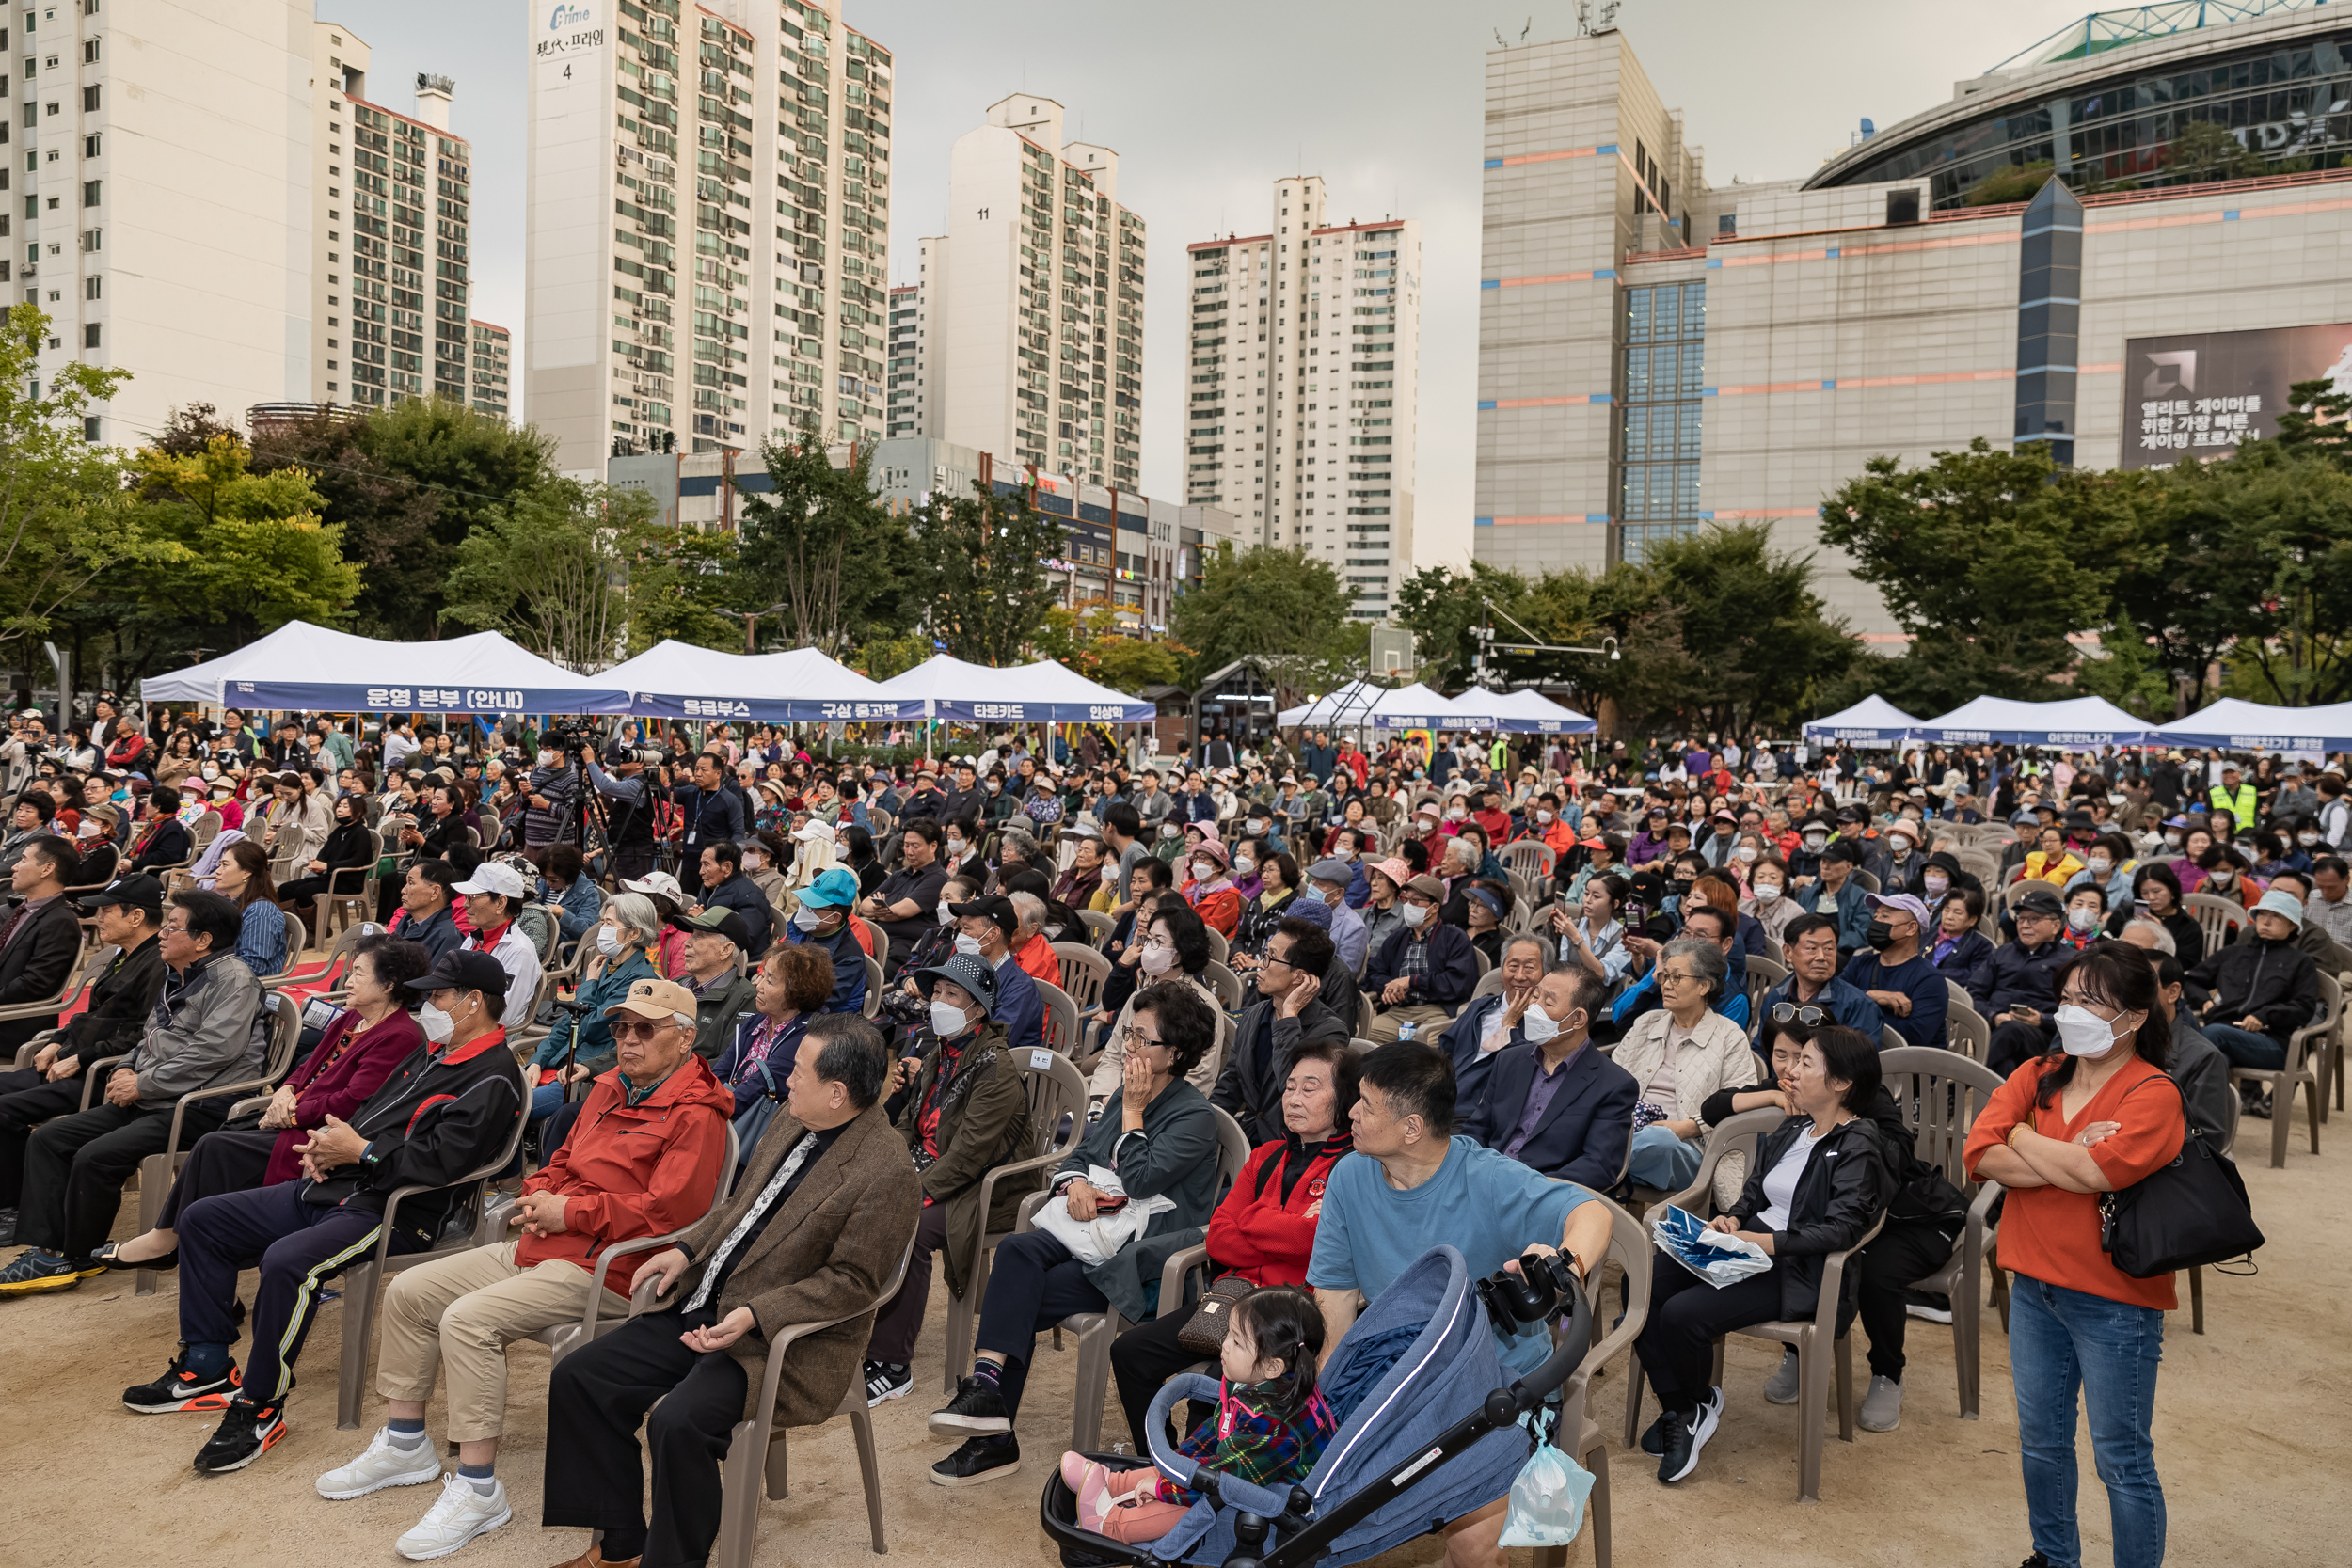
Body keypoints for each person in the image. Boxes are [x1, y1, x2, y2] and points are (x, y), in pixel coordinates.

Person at [320, 974, 727, 1559]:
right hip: (549, 1243)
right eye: (621, 1027)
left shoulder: (697, 1112)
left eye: (645, 1029)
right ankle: (407, 1442)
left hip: (610, 1269)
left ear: (685, 1039)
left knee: (467, 1321)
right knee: (409, 1291)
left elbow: (673, 1212)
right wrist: (541, 1196)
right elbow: (559, 1158)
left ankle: (479, 1487)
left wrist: (572, 1213)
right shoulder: (610, 1087)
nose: (628, 1039)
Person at [115, 948, 523, 1474]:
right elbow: (368, 1114)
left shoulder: (493, 1074)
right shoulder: (436, 1053)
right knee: (203, 1219)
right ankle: (208, 1363)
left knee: (287, 1262)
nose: (431, 1002)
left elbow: (444, 1162)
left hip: (398, 1211)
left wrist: (362, 1153)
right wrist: (327, 1146)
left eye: (441, 994)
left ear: (474, 1002)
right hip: (340, 1187)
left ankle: (260, 1405)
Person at [532, 1010, 914, 1567]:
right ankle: (621, 1546)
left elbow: (853, 1283)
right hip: (705, 1301)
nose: (786, 1078)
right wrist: (684, 1250)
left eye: (799, 1071)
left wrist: (758, 1314)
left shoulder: (886, 1171)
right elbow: (740, 1205)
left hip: (778, 1340)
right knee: (581, 1377)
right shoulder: (794, 1116)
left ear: (836, 1093)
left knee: (677, 1422)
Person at [1307, 1041, 1611, 1566]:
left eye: (1365, 1104)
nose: (1349, 1113)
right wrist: (1326, 1405)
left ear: (1411, 1127)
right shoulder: (1350, 1176)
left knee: (1472, 1546)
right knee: (1311, 1499)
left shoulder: (1487, 1179)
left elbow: (1592, 1212)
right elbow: (1334, 1298)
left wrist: (1564, 1263)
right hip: (1399, 1378)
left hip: (1499, 1388)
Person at [927, 982, 1224, 1486]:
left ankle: (992, 1430)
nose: (1128, 1047)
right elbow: (1081, 1155)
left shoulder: (1194, 1117)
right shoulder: (1127, 1097)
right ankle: (989, 1393)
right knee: (1020, 1252)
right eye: (1129, 1034)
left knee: (1016, 1288)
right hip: (1089, 1239)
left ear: (1174, 1054)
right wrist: (1076, 1182)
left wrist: (1132, 1111)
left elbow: (1142, 1177)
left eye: (1142, 1040)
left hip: (1137, 1263)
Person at [1963, 943, 2185, 1568]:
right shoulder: (2039, 1071)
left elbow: (2095, 1174)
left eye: (2090, 1000)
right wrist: (2063, 1152)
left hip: (2114, 1299)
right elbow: (1979, 1155)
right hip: (2034, 1285)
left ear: (2135, 1016)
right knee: (2042, 1441)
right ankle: (2054, 1556)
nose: (2072, 1011)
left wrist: (2027, 1138)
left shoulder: (2152, 1091)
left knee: (2121, 1456)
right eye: (2067, 997)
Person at [1631, 1025, 1893, 1484]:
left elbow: (1843, 1228)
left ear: (1841, 1083)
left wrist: (1763, 1242)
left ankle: (1688, 1408)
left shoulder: (1858, 1143)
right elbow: (1756, 1193)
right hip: (1747, 1246)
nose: (1791, 1071)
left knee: (1680, 1315)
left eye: (1806, 1063)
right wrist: (1732, 1219)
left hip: (1795, 1268)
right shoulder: (1794, 1126)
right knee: (1642, 1290)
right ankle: (1686, 1407)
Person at [95, 936, 432, 1271]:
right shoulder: (352, 1018)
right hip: (295, 1115)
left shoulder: (399, 1034)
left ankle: (176, 1241)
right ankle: (185, 1243)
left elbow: (353, 1102)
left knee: (217, 1147)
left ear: (388, 984)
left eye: (358, 973)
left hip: (324, 1135)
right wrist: (285, 1091)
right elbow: (307, 1065)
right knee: (217, 1145)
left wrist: (290, 1113)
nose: (347, 980)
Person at [0, 890, 268, 1294]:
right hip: (154, 1096)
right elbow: (148, 1038)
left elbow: (213, 1052)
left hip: (199, 1104)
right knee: (50, 1139)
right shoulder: (177, 973)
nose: (162, 934)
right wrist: (127, 1067)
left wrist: (142, 1083)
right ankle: (49, 1248)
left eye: (173, 927)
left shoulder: (233, 979)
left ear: (203, 940)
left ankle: (77, 1254)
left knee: (96, 1156)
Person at [1110, 1040, 1356, 1447]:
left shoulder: (1350, 1168)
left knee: (1215, 1382)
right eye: (1290, 1087)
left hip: (1295, 1314)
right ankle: (1162, 1455)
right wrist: (1283, 1232)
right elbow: (1222, 1240)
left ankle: (1197, 1476)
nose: (1293, 1099)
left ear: (1344, 1098)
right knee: (1130, 1352)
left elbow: (1313, 1242)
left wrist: (1253, 1219)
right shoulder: (1265, 1156)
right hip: (1235, 1299)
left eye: (1309, 1088)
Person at [859, 954, 1036, 1408]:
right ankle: (857, 1327)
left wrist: (905, 1190)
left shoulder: (994, 1069)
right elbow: (913, 1127)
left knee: (907, 1226)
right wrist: (882, 1160)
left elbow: (968, 1157)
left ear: (977, 1009)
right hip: (931, 1166)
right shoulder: (941, 1051)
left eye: (950, 994)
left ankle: (893, 1364)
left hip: (986, 1189)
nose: (938, 1001)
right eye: (936, 992)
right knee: (857, 1197)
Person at [1067, 1288, 1337, 1544]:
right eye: (1229, 1334)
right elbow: (1215, 1431)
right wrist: (1178, 1464)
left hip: (1275, 1500)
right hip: (1240, 1469)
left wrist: (1163, 1489)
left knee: (1187, 1507)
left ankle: (1111, 1525)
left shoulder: (1276, 1426)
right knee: (1188, 1467)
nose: (1225, 1345)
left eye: (1237, 1342)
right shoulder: (1256, 1383)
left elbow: (1223, 1482)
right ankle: (1115, 1483)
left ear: (1272, 1366)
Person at [1460, 961, 1637, 1188]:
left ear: (1577, 1019)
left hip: (1544, 1196)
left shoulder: (1614, 1084)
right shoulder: (1510, 1060)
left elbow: (1598, 1165)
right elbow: (1478, 1128)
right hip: (1485, 1180)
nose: (1534, 1007)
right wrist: (1472, 1167)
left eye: (1548, 1002)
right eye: (1536, 996)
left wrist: (1530, 1187)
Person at [1610, 937, 1758, 1191]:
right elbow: (1610, 1083)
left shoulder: (1729, 1036)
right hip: (1628, 1129)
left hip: (1691, 1146)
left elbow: (1741, 1105)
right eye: (1664, 977)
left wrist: (1689, 1128)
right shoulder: (1646, 1023)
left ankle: (1591, 1160)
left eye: (1676, 978)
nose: (1666, 985)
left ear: (1703, 986)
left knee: (1660, 1141)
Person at [528, 894, 664, 1127]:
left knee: (506, 1107)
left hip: (585, 1075)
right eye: (603, 922)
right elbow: (569, 1021)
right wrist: (538, 1060)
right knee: (495, 1093)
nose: (602, 929)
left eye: (610, 923)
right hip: (559, 1062)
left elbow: (591, 1027)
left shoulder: (640, 980)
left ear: (634, 933)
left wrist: (588, 984)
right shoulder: (607, 965)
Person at [2184, 887, 2321, 1117]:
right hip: (2225, 1036)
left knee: (2209, 1038)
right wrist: (2205, 1001)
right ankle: (2209, 1130)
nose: (2266, 921)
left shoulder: (2300, 963)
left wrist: (2265, 1016)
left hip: (2272, 1043)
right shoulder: (2234, 954)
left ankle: (2179, 1112)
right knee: (2214, 1061)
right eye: (2262, 914)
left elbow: (2304, 1007)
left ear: (2292, 926)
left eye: (2276, 916)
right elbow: (2192, 981)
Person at [1210, 919, 1348, 1145]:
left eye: (1270, 957)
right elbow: (1230, 1084)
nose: (1261, 965)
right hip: (1248, 1138)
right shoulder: (1255, 1015)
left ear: (1299, 977)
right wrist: (1202, 1128)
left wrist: (1289, 1015)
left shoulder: (1330, 1031)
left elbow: (1295, 1094)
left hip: (1291, 1146)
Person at [1087, 900, 1226, 1101]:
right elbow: (1113, 1055)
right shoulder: (1140, 996)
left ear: (1180, 952)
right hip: (1116, 1099)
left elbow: (1199, 1077)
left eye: (1158, 942)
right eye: (1149, 939)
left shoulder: (1204, 1005)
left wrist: (1135, 1103)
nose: (1148, 948)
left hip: (1162, 1111)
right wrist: (1108, 1097)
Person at [1363, 874, 1479, 1044]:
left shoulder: (1455, 938)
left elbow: (1456, 983)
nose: (1408, 905)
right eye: (1405, 899)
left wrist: (1411, 981)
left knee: (1428, 1046)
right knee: (1361, 1034)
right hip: (1398, 1011)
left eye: (1416, 901)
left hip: (1437, 1011)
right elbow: (1373, 972)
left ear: (1434, 907)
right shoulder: (1397, 938)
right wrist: (1390, 987)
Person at [0, 837, 87, 1053]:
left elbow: (35, 984)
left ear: (47, 869)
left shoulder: (60, 921)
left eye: (23, 859)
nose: (14, 866)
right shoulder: (21, 909)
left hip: (12, 1023)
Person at [1841, 892, 1950, 1050]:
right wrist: (1871, 996)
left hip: (1910, 1069)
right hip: (1859, 1060)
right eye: (1876, 916)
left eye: (1885, 916)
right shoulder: (1860, 962)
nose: (1877, 922)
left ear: (1911, 928)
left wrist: (1855, 1010)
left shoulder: (1930, 980)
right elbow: (1831, 1003)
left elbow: (1912, 1038)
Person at [452, 861, 544, 1032]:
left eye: (473, 897)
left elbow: (502, 1015)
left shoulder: (520, 951)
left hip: (483, 1040)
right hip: (456, 1026)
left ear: (500, 903)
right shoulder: (474, 938)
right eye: (466, 897)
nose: (465, 904)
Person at [1760, 914, 1885, 1038]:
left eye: (1828, 948)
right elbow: (1760, 1048)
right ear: (1788, 952)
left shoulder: (1858, 1005)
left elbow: (1860, 1057)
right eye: (1811, 948)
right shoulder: (1775, 998)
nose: (1821, 957)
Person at [859, 818, 949, 974]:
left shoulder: (938, 879)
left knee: (864, 978)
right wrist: (882, 912)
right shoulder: (899, 875)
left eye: (915, 846)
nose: (909, 851)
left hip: (906, 949)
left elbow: (900, 912)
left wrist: (879, 913)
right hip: (878, 942)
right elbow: (864, 905)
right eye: (906, 845)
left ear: (933, 846)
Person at [675, 908, 760, 1061]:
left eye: (699, 936)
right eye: (692, 935)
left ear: (726, 949)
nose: (687, 943)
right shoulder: (674, 986)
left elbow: (727, 1063)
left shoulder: (745, 999)